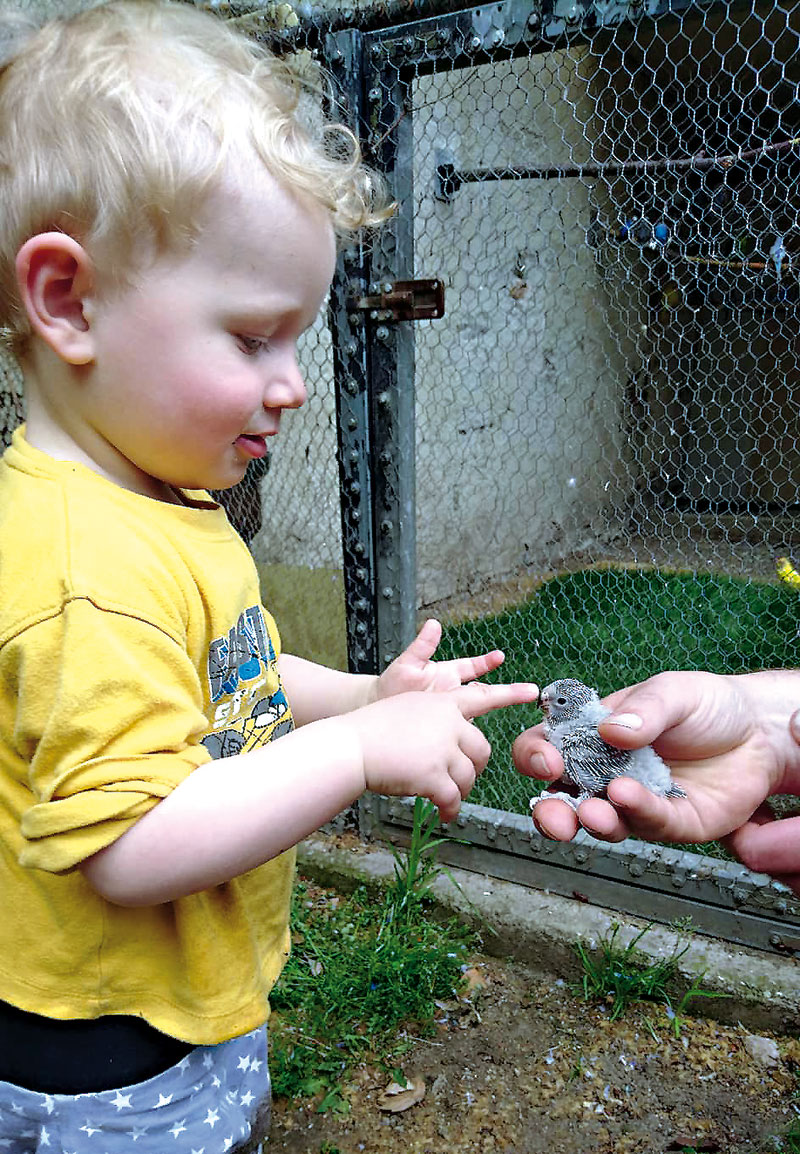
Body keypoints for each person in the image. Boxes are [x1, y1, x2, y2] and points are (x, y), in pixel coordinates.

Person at [0, 4, 539, 1151]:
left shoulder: (152, 499)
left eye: (298, 338)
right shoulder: (81, 572)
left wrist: (356, 697)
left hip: (169, 1013)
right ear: (67, 301)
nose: (292, 382)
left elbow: (223, 673)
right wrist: (348, 757)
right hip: (104, 1055)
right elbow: (133, 840)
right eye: (252, 337)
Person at [513, 669, 800, 895]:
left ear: (573, 709)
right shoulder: (582, 729)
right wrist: (770, 729)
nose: (545, 703)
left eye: (557, 701)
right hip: (646, 780)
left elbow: (603, 775)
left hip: (631, 782)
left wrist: (574, 795)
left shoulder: (577, 740)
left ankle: (580, 798)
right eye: (548, 697)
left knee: (599, 795)